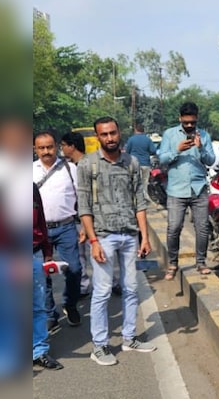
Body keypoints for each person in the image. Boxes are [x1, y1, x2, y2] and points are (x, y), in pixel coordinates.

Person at [77, 116, 156, 366]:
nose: (109, 138)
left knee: (131, 288)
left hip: (129, 235)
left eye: (113, 133)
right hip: (103, 236)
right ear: (97, 136)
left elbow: (139, 202)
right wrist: (93, 241)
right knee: (102, 291)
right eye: (104, 134)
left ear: (119, 132)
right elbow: (84, 206)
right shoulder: (88, 165)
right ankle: (99, 345)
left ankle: (129, 337)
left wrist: (144, 236)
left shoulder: (131, 162)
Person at [158, 102, 216, 280]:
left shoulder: (204, 135)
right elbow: (162, 159)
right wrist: (177, 150)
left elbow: (211, 160)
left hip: (198, 188)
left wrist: (200, 148)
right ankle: (173, 262)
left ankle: (201, 262)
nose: (190, 125)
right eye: (186, 122)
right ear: (180, 119)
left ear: (197, 119)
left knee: (203, 228)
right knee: (174, 227)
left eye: (192, 122)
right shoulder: (170, 134)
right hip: (177, 189)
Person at [33, 131, 83, 330]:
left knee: (75, 269)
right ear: (35, 149)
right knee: (41, 275)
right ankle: (49, 313)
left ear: (56, 146)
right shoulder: (28, 171)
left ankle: (70, 304)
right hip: (36, 232)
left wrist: (86, 228)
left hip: (66, 227)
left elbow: (83, 198)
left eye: (50, 146)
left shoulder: (70, 169)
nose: (46, 151)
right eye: (42, 148)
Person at [33, 183, 64, 370]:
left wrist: (47, 251)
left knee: (37, 306)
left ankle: (39, 351)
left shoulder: (30, 188)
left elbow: (41, 221)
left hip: (33, 252)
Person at [60, 131, 93, 298]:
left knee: (96, 250)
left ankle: (113, 282)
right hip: (76, 217)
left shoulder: (86, 165)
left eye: (63, 145)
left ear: (71, 146)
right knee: (79, 255)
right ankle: (83, 285)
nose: (62, 149)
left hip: (89, 216)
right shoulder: (68, 166)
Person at [124, 124, 157, 202]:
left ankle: (134, 198)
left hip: (134, 164)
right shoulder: (148, 140)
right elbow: (153, 151)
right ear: (143, 130)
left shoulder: (131, 139)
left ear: (135, 130)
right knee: (144, 183)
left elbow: (127, 151)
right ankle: (144, 198)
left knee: (134, 182)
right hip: (145, 164)